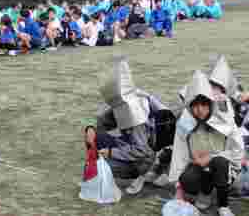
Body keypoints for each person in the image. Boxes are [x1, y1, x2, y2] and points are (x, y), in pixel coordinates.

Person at [169, 71, 243, 216]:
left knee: (220, 163)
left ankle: (223, 205)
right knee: (187, 179)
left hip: (224, 166)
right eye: (195, 106)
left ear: (210, 104)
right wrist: (179, 187)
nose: (199, 110)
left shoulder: (224, 120)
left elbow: (237, 151)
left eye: (204, 105)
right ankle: (205, 193)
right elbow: (179, 154)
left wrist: (211, 157)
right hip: (198, 166)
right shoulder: (185, 124)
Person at [95, 59, 158, 194]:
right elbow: (103, 122)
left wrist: (111, 152)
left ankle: (142, 175)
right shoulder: (119, 107)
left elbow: (142, 150)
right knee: (98, 137)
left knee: (108, 165)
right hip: (128, 145)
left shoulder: (136, 113)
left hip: (144, 157)